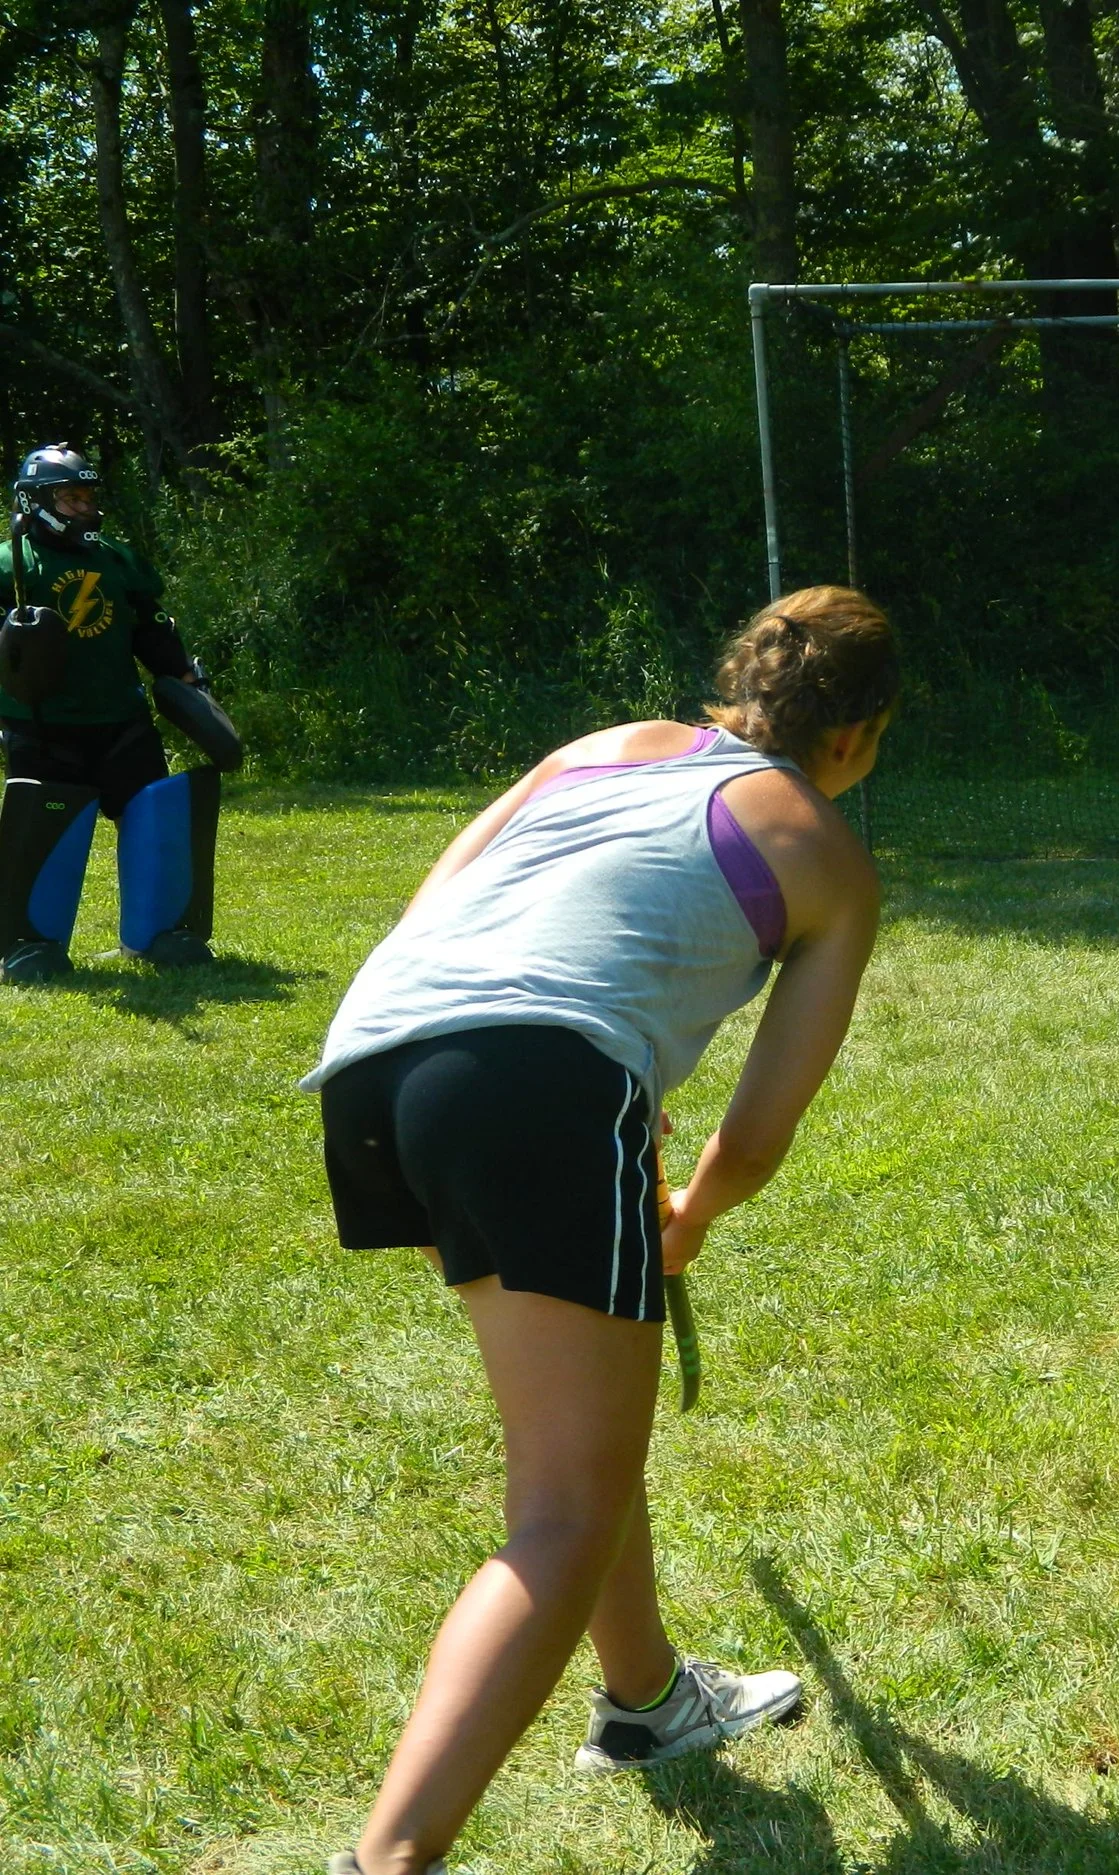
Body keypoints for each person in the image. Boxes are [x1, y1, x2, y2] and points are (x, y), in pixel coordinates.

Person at [299, 587, 896, 1875]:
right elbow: (755, 1136)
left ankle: (644, 1701)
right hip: (533, 1089)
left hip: (378, 1070)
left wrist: (576, 1088)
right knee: (561, 1511)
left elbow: (443, 901)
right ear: (857, 736)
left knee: (582, 1425)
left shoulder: (594, 748)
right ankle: (386, 1861)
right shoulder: (827, 853)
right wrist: (677, 1210)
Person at [0, 443, 232, 981]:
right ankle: (29, 943)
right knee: (43, 831)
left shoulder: (116, 558)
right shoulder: (10, 564)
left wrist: (187, 682)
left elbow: (151, 627)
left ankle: (161, 933)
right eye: (71, 497)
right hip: (42, 726)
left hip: (121, 721)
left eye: (88, 496)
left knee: (153, 817)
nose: (85, 507)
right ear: (36, 502)